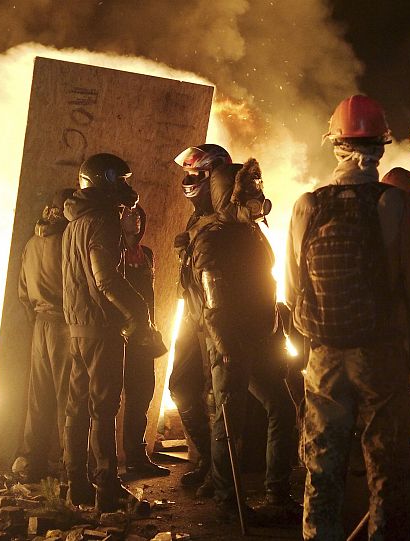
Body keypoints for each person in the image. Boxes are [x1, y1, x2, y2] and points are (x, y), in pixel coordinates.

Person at [286, 95, 410, 540]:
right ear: (380, 147)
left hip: (323, 357)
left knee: (322, 465)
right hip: (381, 355)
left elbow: (295, 289)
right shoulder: (395, 206)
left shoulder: (306, 206)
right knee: (386, 468)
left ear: (333, 144)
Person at [181, 146, 298, 523]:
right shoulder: (211, 238)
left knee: (281, 408)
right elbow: (213, 300)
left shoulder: (249, 233)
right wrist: (227, 346)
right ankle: (229, 501)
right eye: (247, 193)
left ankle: (277, 494)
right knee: (228, 422)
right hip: (230, 344)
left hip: (261, 336)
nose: (256, 200)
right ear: (227, 194)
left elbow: (266, 280)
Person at [62, 153, 152, 512]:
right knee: (103, 409)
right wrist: (138, 312)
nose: (128, 189)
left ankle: (77, 487)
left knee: (76, 408)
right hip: (101, 329)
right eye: (122, 181)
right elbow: (106, 279)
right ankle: (108, 491)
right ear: (107, 182)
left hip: (77, 328)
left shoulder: (74, 222)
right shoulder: (103, 221)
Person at [168, 144, 226, 495]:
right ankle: (207, 459)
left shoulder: (228, 215)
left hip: (216, 318)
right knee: (180, 385)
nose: (188, 182)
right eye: (187, 175)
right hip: (193, 315)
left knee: (220, 398)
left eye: (195, 175)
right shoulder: (199, 217)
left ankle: (220, 475)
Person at [14, 188, 76, 482]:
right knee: (68, 397)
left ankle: (31, 461)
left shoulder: (30, 243)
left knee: (38, 397)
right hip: (64, 325)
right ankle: (69, 465)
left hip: (40, 324)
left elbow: (22, 292)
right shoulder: (68, 242)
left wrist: (37, 318)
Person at [120, 204, 170, 477]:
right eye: (129, 214)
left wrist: (151, 327)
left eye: (139, 214)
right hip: (119, 338)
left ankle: (136, 458)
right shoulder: (111, 254)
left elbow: (148, 297)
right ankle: (98, 464)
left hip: (143, 338)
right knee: (108, 401)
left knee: (141, 397)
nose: (135, 218)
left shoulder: (148, 255)